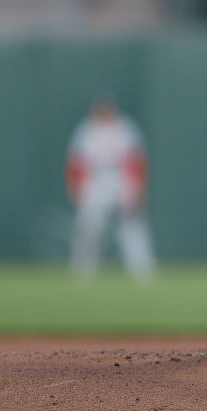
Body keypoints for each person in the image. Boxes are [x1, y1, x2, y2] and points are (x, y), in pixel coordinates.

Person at [65, 93, 155, 283]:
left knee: (132, 227)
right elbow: (76, 162)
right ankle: (83, 272)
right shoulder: (85, 130)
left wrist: (138, 187)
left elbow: (137, 160)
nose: (104, 113)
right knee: (89, 227)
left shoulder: (126, 128)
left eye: (108, 109)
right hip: (96, 180)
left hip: (120, 179)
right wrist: (76, 187)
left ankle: (143, 272)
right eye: (101, 109)